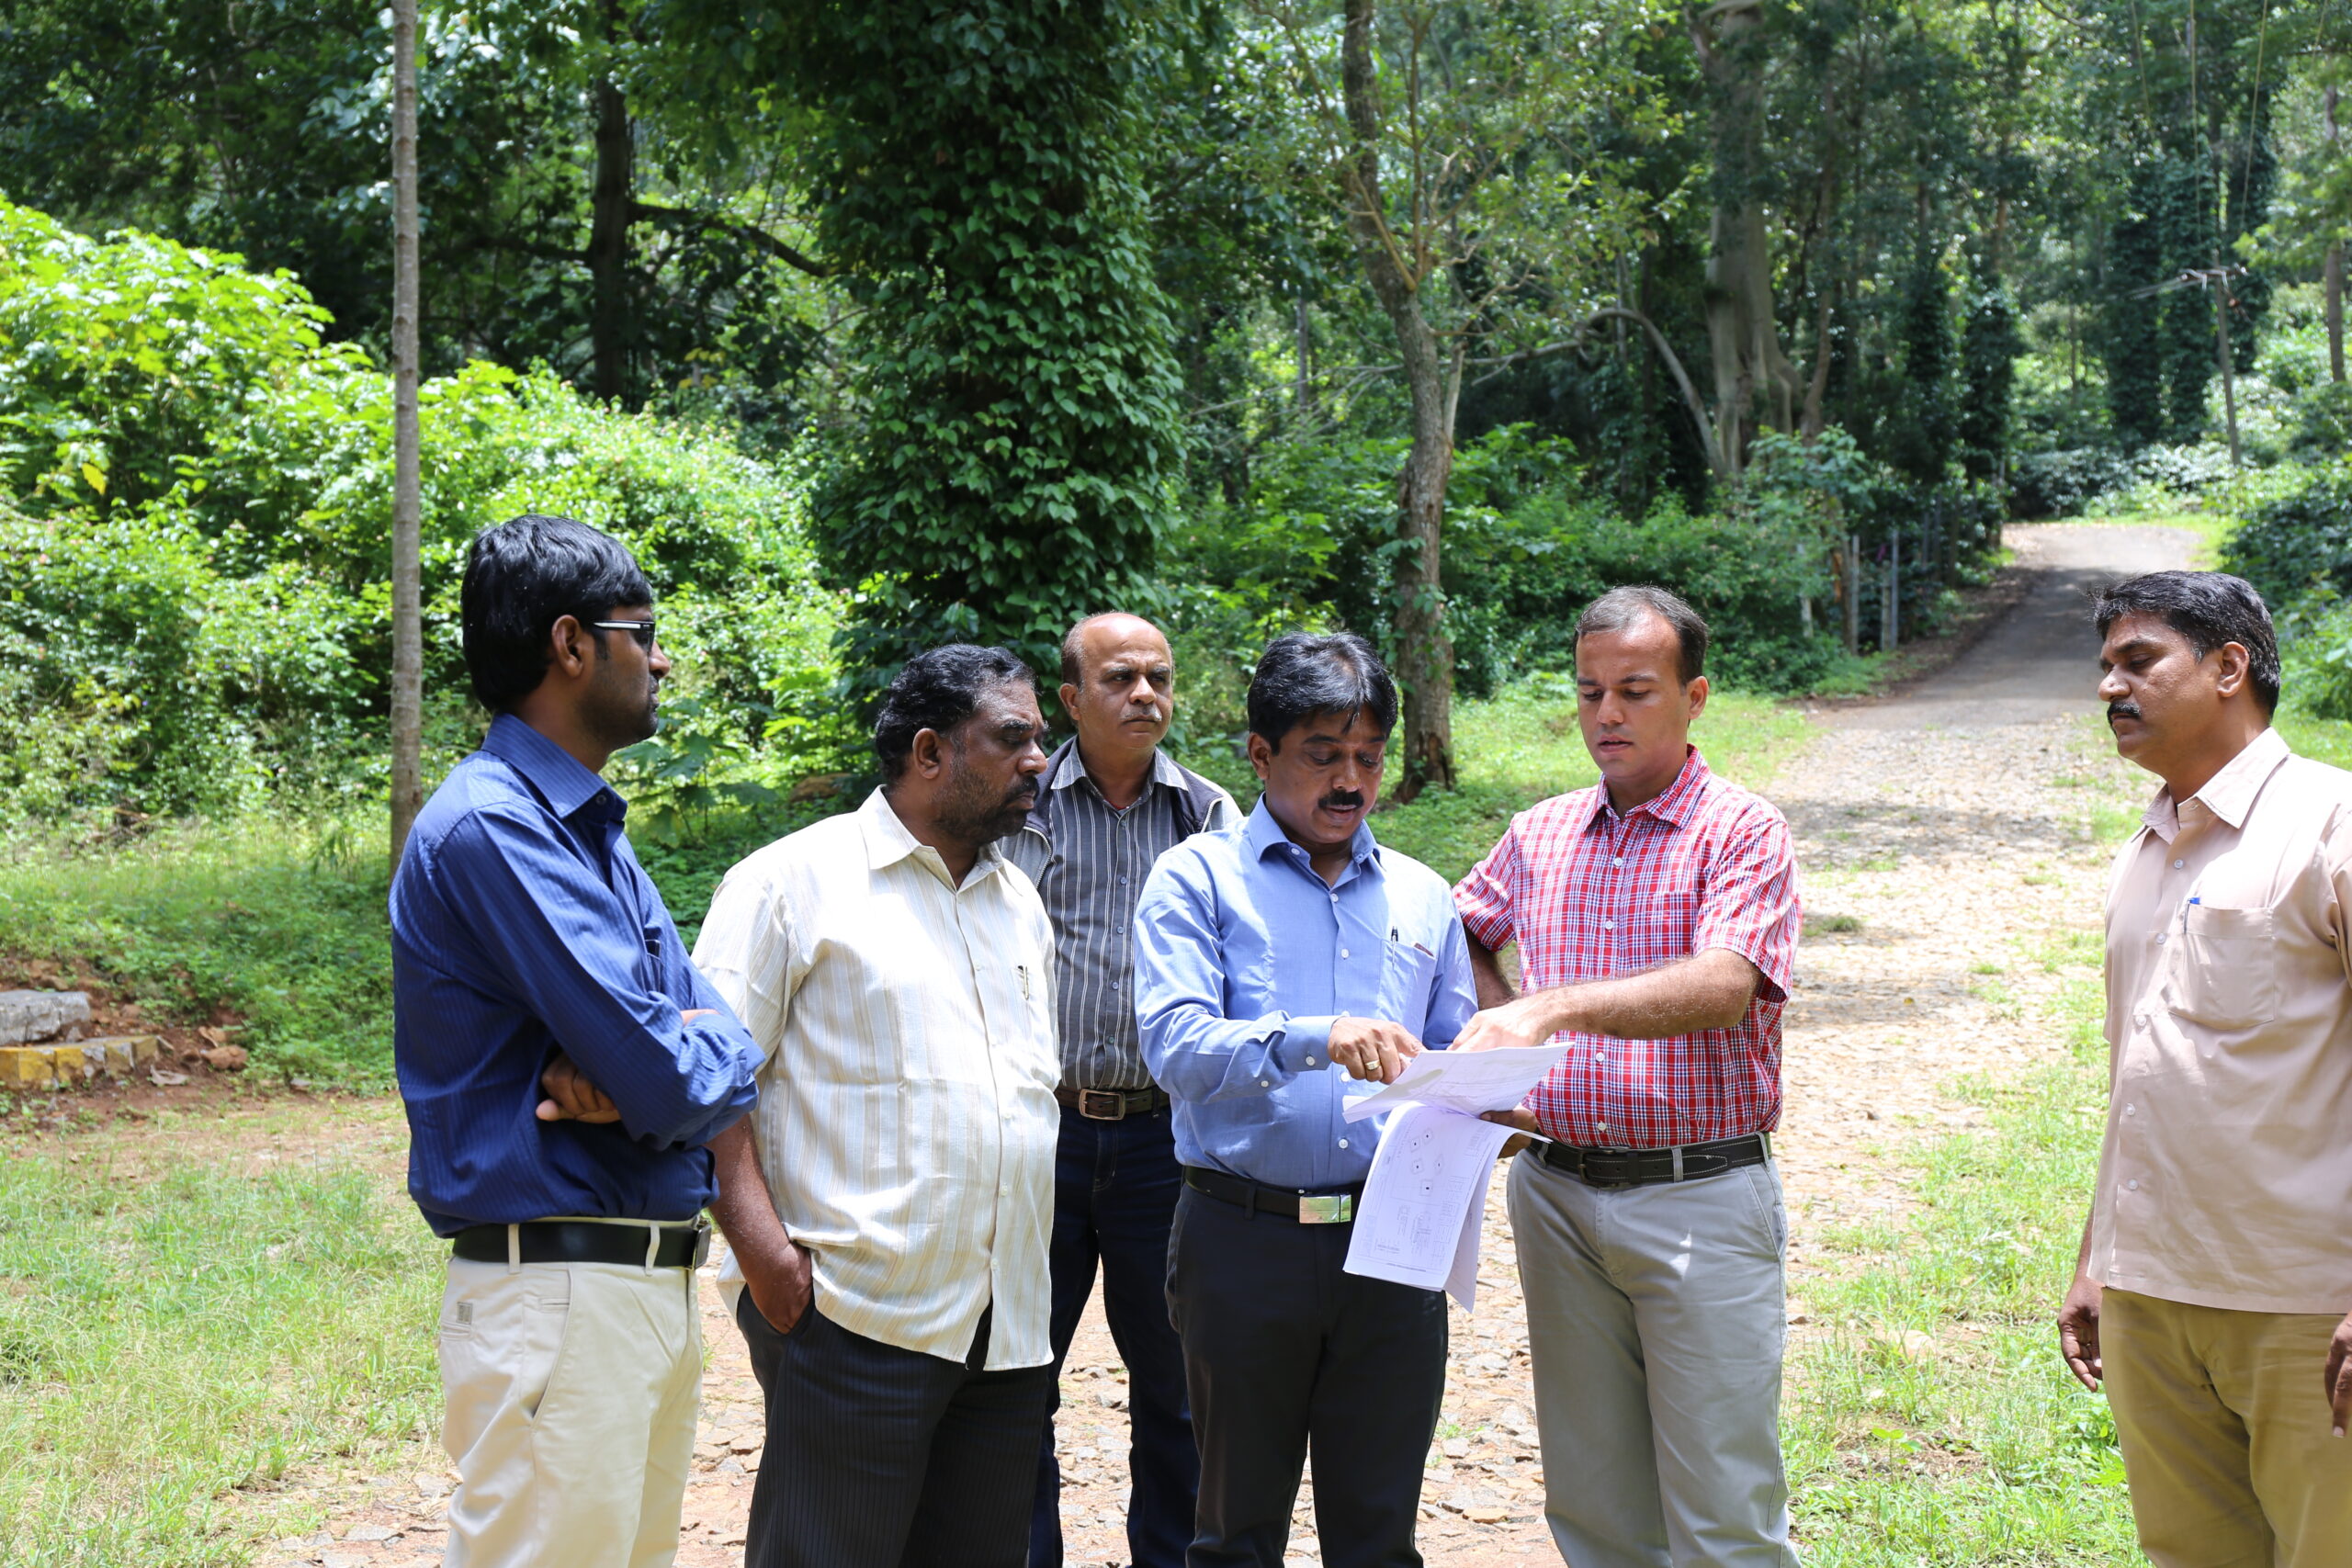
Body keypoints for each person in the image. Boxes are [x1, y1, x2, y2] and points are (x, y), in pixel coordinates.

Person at [390, 513, 764, 1568]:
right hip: (560, 1296)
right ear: (569, 644)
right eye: (641, 632)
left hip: (630, 1289)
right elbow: (669, 1075)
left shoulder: (583, 825)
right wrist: (666, 1060)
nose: (660, 659)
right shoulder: (495, 826)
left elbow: (707, 1045)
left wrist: (679, 1055)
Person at [692, 644, 1063, 1568]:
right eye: (1011, 737)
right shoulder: (790, 883)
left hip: (1006, 1328)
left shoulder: (1019, 900)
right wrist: (768, 1263)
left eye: (1040, 739)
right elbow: (707, 1089)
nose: (1037, 761)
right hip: (853, 1318)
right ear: (930, 751)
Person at [1452, 585, 1801, 1568]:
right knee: (1595, 1504)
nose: (1606, 713)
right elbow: (1458, 928)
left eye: (1635, 691)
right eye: (1589, 691)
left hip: (1700, 1197)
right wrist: (1506, 1055)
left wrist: (1548, 1009)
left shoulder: (1742, 829)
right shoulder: (1540, 831)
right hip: (1556, 1193)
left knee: (1725, 1512)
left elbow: (1724, 984)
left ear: (1694, 698)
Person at [1133, 631, 1477, 1568]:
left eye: (1368, 756)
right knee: (1235, 1532)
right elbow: (1175, 1047)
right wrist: (1311, 1036)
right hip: (1243, 1239)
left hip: (1391, 1242)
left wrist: (1495, 1106)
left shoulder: (1422, 894)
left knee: (1378, 1533)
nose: (1350, 781)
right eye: (1323, 755)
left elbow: (1452, 1051)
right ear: (1260, 754)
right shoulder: (1197, 879)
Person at [2055, 571, 2352, 1565]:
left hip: (2304, 1304)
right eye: (2105, 666)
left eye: (2138, 661)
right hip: (2152, 1298)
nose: (2110, 687)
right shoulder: (2146, 847)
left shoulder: (2330, 824)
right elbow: (2137, 1074)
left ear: (2229, 667)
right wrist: (2099, 1256)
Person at [1004, 614, 1235, 1568]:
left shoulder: (1209, 817)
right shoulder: (1017, 803)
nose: (1145, 694)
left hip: (1162, 1138)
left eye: (1159, 677)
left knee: (1179, 1386)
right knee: (1018, 1376)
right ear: (1070, 699)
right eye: (1120, 678)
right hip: (1038, 1129)